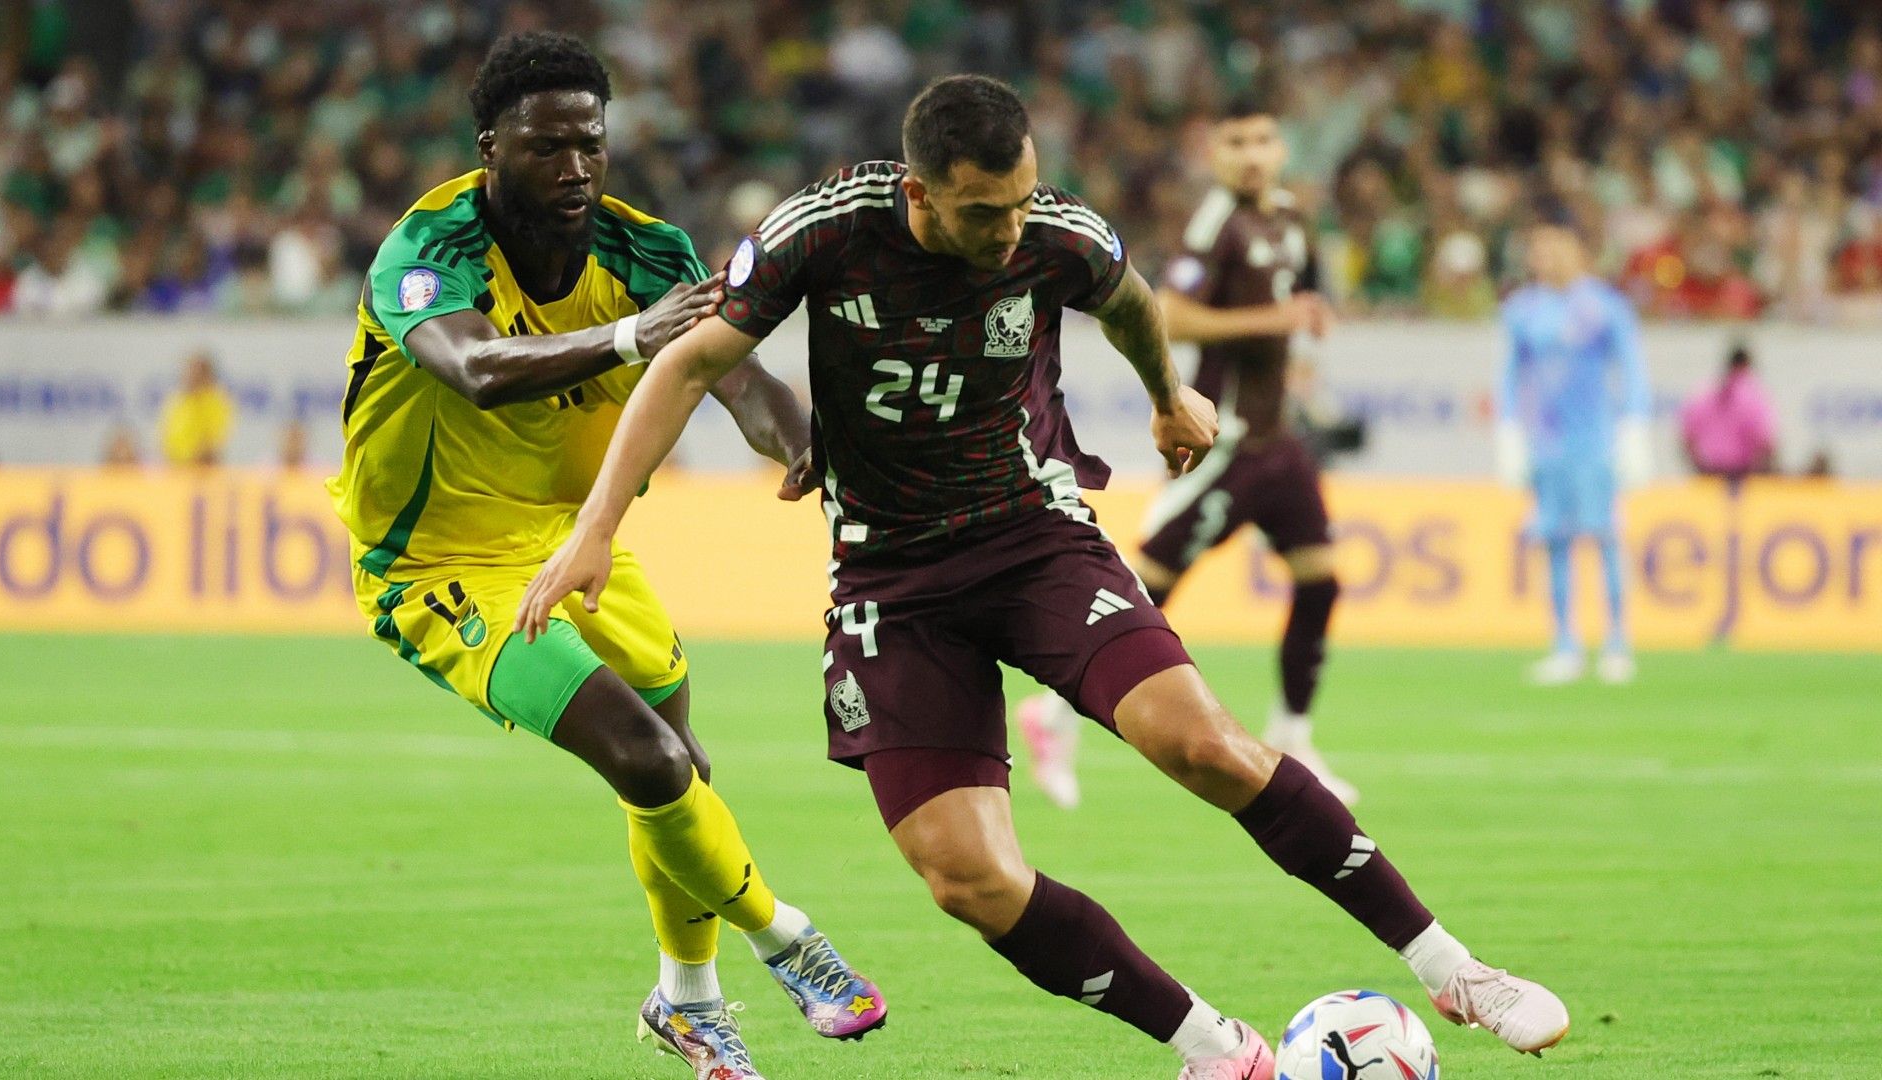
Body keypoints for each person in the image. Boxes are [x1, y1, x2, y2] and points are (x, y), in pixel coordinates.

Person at [518, 75, 1569, 1080]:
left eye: (1022, 200)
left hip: (1034, 539)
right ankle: (1214, 1047)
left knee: (1202, 744)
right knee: (966, 880)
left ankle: (1455, 969)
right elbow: (687, 363)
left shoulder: (1058, 233)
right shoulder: (823, 232)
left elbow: (1132, 301)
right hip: (890, 581)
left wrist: (1168, 398)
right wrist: (597, 529)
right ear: (921, 193)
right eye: (985, 213)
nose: (1010, 231)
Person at [323, 33, 882, 1080]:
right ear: (490, 146)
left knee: (681, 774)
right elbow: (476, 368)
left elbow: (741, 385)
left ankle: (687, 1001)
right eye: (547, 147)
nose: (575, 167)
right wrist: (632, 341)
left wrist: (811, 446)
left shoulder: (646, 252)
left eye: (591, 143)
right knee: (653, 760)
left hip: (574, 542)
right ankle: (786, 938)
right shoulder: (427, 248)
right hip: (436, 564)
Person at [1017, 96, 1358, 811]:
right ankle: (1049, 717)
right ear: (1216, 154)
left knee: (1321, 582)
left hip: (1279, 438)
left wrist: (1301, 329)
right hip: (1227, 440)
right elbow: (1171, 312)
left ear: (1281, 147)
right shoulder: (1214, 225)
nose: (1253, 153)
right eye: (1237, 142)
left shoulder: (1290, 218)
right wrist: (1277, 319)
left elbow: (1298, 301)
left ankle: (1294, 732)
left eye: (1264, 137)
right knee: (1146, 587)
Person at [1496, 220, 1652, 686]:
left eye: (1550, 250)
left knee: (1605, 538)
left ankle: (1617, 641)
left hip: (1595, 440)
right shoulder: (1522, 311)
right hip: (1547, 443)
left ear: (1575, 253)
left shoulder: (1605, 307)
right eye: (1535, 252)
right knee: (1555, 541)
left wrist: (1633, 427)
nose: (1540, 260)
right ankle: (1566, 643)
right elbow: (1510, 375)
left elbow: (1632, 368)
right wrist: (1509, 432)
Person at [1680, 344, 1777, 482]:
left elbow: (1686, 437)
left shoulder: (1704, 392)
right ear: (1747, 365)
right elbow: (1767, 442)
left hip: (1707, 474)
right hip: (1742, 476)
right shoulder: (1753, 394)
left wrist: (1699, 467)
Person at [159, 351, 236, 466]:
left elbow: (213, 442)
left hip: (204, 470)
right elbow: (165, 437)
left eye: (197, 372)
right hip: (174, 469)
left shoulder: (217, 402)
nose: (192, 376)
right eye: (189, 371)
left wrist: (193, 458)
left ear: (208, 375)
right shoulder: (176, 401)